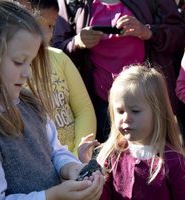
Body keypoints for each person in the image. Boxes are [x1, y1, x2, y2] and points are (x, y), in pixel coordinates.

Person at [0, 1, 104, 199]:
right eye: (18, 62)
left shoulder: (30, 104)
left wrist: (72, 168)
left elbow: (55, 150)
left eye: (30, 62)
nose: (28, 73)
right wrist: (52, 196)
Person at [52, 0, 185, 143]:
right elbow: (55, 52)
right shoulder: (71, 3)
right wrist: (77, 42)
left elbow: (179, 35)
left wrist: (147, 31)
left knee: (158, 159)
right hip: (100, 105)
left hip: (150, 99)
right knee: (111, 161)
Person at [16, 0, 97, 157]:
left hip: (75, 159)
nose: (50, 34)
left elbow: (83, 109)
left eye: (52, 26)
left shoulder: (60, 58)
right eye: (44, 24)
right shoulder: (12, 71)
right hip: (41, 166)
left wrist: (76, 158)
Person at [96, 64, 185, 200]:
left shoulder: (172, 160)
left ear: (157, 113)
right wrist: (92, 172)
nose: (126, 118)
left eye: (135, 111)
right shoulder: (114, 155)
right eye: (120, 111)